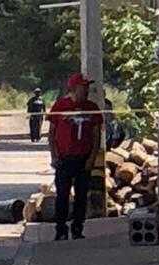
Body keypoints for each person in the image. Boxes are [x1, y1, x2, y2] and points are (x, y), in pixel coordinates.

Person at [47, 73, 103, 241]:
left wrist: (92, 158)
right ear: (73, 88)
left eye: (87, 87)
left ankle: (78, 228)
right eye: (82, 87)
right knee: (62, 195)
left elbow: (96, 136)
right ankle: (61, 229)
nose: (86, 90)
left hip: (83, 159)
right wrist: (54, 156)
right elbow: (52, 133)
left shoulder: (92, 108)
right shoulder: (60, 106)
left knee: (81, 196)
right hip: (64, 159)